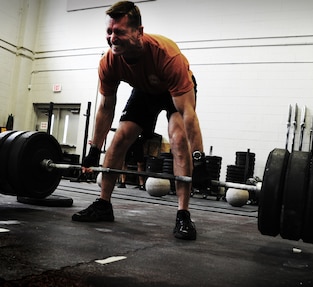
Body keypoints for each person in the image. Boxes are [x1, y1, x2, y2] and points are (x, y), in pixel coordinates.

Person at [72, 1, 212, 241]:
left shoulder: (167, 56)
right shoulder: (109, 61)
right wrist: (94, 149)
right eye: (109, 31)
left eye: (119, 32)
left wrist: (199, 159)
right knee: (120, 137)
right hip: (144, 91)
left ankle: (183, 215)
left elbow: (188, 114)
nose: (112, 38)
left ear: (139, 32)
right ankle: (103, 204)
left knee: (177, 139)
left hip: (173, 92)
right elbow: (106, 108)